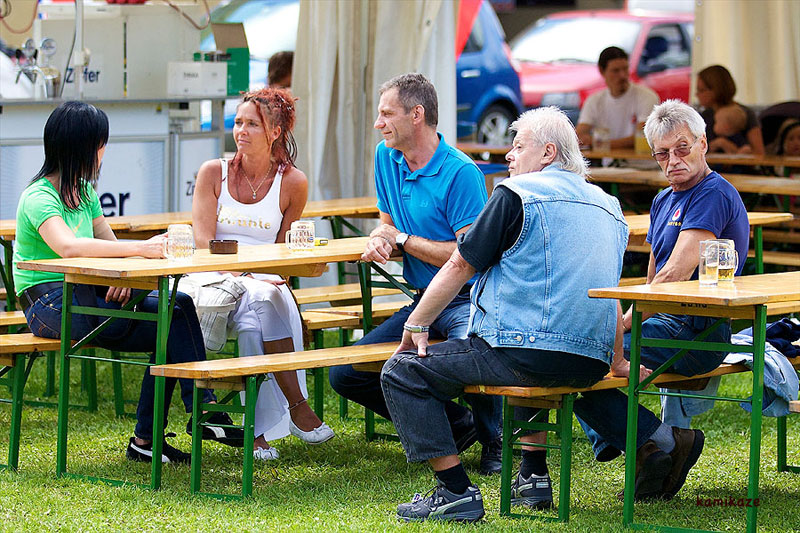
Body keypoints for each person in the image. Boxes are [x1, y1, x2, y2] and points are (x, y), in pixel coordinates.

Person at [381, 106, 702, 522]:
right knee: (527, 354)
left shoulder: (515, 195)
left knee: (402, 370)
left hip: (523, 351)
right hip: (588, 361)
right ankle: (533, 476)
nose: (509, 155)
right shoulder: (610, 206)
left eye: (518, 146)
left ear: (548, 152)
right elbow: (609, 289)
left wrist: (417, 322)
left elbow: (461, 263)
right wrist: (617, 359)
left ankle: (454, 491)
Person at [12, 101, 242, 464]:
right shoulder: (39, 196)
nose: (104, 151)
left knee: (176, 309)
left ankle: (167, 429)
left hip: (87, 292)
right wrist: (141, 249)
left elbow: (110, 246)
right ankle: (193, 415)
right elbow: (69, 247)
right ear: (84, 147)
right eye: (101, 143)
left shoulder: (84, 193)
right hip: (49, 304)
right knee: (168, 322)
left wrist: (123, 274)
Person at [328, 72, 503, 474]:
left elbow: (468, 256)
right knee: (346, 375)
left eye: (387, 114)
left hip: (467, 296)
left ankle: (495, 439)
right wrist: (380, 238)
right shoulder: (385, 156)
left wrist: (402, 240)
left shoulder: (461, 173)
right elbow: (386, 223)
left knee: (475, 349)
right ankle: (457, 425)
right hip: (422, 299)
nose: (378, 123)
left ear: (417, 115)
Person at [582, 99, 749, 463]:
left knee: (587, 355)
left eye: (682, 148)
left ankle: (644, 441)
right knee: (579, 350)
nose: (673, 160)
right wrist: (622, 325)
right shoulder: (662, 200)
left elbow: (675, 274)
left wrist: (623, 324)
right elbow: (654, 276)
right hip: (665, 323)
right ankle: (652, 444)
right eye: (662, 153)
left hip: (700, 331)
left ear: (703, 143)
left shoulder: (713, 193)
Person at [193, 87, 334, 461]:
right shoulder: (213, 173)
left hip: (265, 280)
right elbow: (203, 243)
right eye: (238, 122)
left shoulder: (293, 182)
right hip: (215, 278)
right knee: (264, 299)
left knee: (256, 317)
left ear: (275, 132)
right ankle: (298, 407)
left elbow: (285, 250)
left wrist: (265, 272)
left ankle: (255, 434)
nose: (241, 131)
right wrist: (247, 270)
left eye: (252, 124)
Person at [575, 46, 659, 150]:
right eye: (616, 71)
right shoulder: (594, 101)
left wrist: (598, 143)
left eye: (625, 69)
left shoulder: (647, 97)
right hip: (605, 160)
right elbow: (579, 135)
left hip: (637, 160)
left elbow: (641, 137)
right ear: (602, 71)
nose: (623, 75)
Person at [695, 65, 765, 155]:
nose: (697, 94)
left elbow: (759, 153)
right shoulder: (704, 116)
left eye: (701, 90)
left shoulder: (745, 114)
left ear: (716, 90)